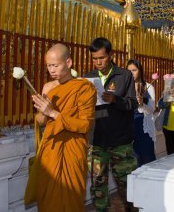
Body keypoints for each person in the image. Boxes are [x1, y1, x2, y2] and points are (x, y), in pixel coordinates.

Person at [27, 43, 97, 212]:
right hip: (50, 149)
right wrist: (44, 112)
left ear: (69, 62)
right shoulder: (48, 87)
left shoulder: (84, 88)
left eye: (55, 65)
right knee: (47, 198)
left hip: (72, 149)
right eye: (49, 66)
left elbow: (85, 124)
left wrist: (53, 113)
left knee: (70, 199)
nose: (51, 70)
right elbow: (41, 120)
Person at [85, 38, 138, 212]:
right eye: (94, 58)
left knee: (127, 186)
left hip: (120, 141)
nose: (98, 62)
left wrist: (115, 99)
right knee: (98, 186)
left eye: (101, 57)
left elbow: (132, 104)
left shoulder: (124, 76)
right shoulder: (88, 78)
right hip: (97, 140)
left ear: (110, 55)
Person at [126, 59, 156, 166]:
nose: (131, 73)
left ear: (140, 71)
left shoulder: (148, 87)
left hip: (143, 128)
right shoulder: (125, 87)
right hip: (129, 126)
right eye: (129, 70)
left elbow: (152, 109)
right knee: (132, 162)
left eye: (134, 70)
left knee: (147, 160)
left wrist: (142, 102)